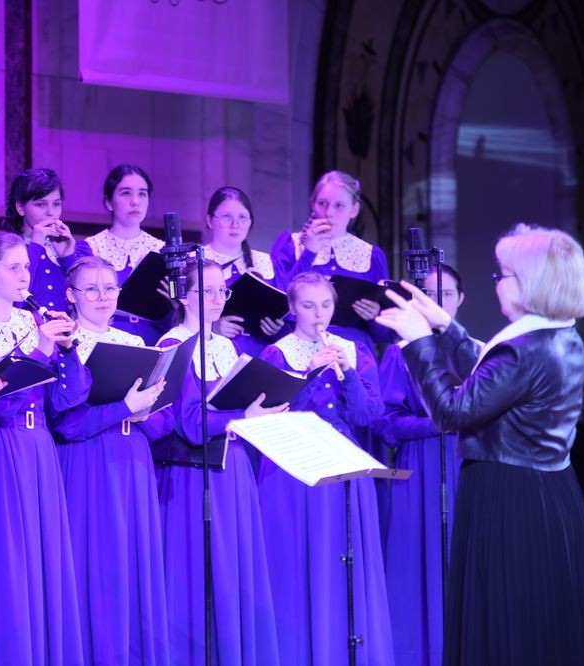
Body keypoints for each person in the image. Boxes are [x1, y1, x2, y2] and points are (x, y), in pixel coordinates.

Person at [375, 224, 584, 665]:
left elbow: (452, 413)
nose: (497, 282)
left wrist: (419, 343)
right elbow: (491, 377)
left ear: (531, 283)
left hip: (510, 497)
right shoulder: (558, 334)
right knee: (534, 624)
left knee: (505, 622)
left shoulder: (522, 349)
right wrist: (446, 327)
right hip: (547, 492)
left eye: (503, 274)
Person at [0, 231, 87, 665]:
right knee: (7, 565)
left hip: (39, 449)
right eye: (13, 268)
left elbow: (69, 398)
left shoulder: (32, 321)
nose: (24, 276)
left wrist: (66, 350)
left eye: (27, 267)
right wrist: (43, 347)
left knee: (44, 563)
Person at [258, 271, 392, 666]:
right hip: (293, 467)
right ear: (291, 308)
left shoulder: (354, 350)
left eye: (326, 305)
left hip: (342, 463)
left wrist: (346, 374)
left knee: (341, 557)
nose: (319, 314)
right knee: (298, 562)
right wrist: (311, 373)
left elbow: (367, 414)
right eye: (308, 305)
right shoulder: (277, 353)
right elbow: (274, 414)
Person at [157, 258, 283, 665]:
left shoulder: (228, 346)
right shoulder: (173, 345)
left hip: (235, 467)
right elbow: (190, 424)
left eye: (221, 291)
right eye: (205, 291)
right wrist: (244, 416)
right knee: (201, 575)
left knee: (236, 574)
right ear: (183, 296)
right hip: (197, 476)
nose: (216, 299)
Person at [52, 255, 171, 665]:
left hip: (133, 459)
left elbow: (163, 419)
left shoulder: (135, 343)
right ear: (71, 295)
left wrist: (144, 413)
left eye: (109, 288)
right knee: (95, 565)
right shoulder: (65, 344)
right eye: (91, 289)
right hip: (87, 462)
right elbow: (67, 424)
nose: (103, 296)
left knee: (132, 565)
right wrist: (124, 408)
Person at [376, 264, 472, 666]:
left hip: (467, 463)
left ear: (459, 299)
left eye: (445, 294)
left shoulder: (473, 350)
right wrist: (437, 422)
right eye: (428, 294)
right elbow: (386, 423)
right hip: (421, 466)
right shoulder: (399, 353)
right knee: (415, 564)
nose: (437, 301)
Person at [270, 170, 390, 349]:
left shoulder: (371, 255)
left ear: (354, 209)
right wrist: (309, 253)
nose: (329, 212)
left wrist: (374, 316)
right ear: (312, 205)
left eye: (339, 205)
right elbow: (277, 305)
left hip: (354, 348)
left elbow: (385, 334)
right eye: (322, 203)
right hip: (299, 346)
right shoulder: (290, 245)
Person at [73, 164, 167, 345]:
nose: (135, 201)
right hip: (104, 337)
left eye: (142, 194)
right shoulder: (90, 247)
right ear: (109, 202)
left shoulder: (161, 249)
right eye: (126, 193)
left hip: (152, 337)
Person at [203, 185, 285, 354]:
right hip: (216, 354)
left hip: (261, 354)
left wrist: (277, 327)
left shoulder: (266, 263)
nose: (235, 225)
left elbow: (288, 315)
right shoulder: (195, 262)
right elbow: (177, 316)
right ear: (210, 221)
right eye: (226, 217)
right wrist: (211, 327)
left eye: (242, 218)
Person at [2, 167, 77, 313]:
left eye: (56, 204)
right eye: (41, 204)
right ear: (21, 208)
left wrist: (68, 257)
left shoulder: (61, 245)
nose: (51, 212)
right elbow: (16, 302)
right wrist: (36, 245)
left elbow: (83, 300)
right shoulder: (6, 249)